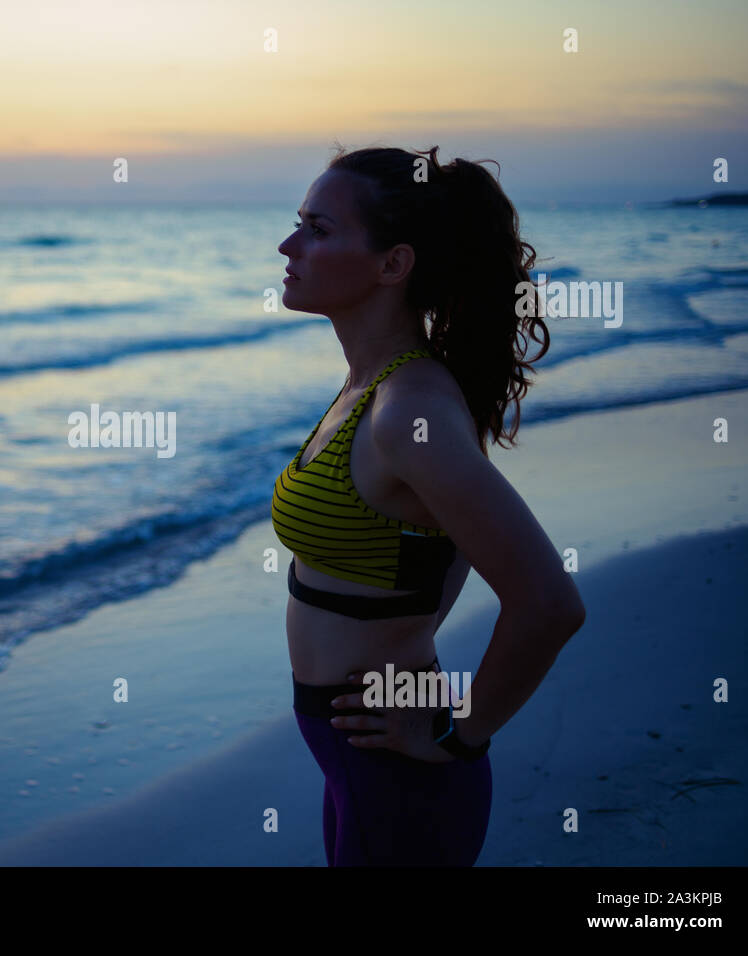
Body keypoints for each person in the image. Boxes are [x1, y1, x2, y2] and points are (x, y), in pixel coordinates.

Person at [271, 144, 586, 866]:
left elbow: (550, 604)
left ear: (392, 264)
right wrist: (404, 642)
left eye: (318, 229)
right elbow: (443, 549)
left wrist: (457, 733)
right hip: (359, 746)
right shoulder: (375, 387)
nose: (288, 246)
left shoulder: (405, 412)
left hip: (400, 767)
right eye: (299, 224)